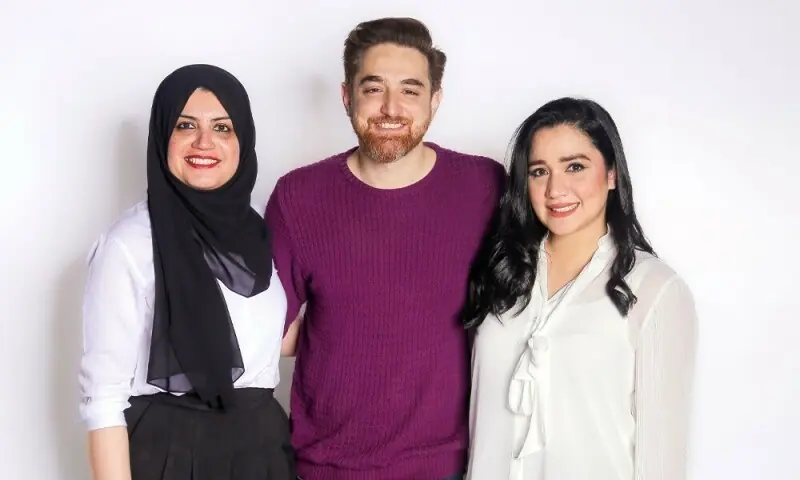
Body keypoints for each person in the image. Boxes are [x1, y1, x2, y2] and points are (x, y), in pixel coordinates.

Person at [265, 17, 505, 480]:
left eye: (410, 90)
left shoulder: (483, 187)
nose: (391, 107)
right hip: (325, 468)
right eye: (373, 88)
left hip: (444, 467)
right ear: (346, 96)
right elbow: (271, 335)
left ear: (435, 100)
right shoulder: (298, 197)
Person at [461, 97, 698, 480]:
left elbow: (662, 458)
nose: (556, 189)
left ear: (612, 174)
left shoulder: (655, 289)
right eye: (539, 171)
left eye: (575, 166)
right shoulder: (501, 275)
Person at [78, 64, 296, 480]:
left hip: (262, 449)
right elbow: (102, 400)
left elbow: (275, 339)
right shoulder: (129, 244)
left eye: (222, 127)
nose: (204, 142)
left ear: (243, 140)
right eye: (185, 125)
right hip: (171, 454)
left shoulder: (259, 231)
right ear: (163, 136)